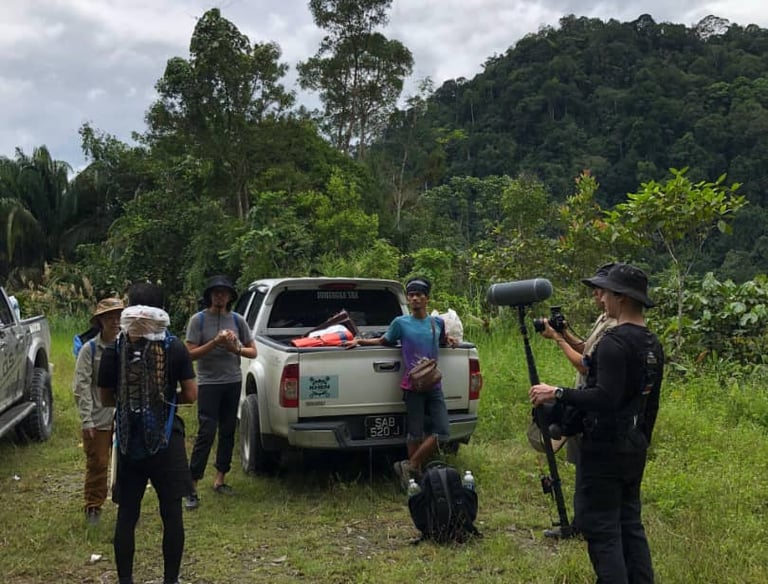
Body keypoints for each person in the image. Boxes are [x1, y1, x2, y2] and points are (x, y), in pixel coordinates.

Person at [529, 263, 664, 583]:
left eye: (607, 293)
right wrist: (642, 438)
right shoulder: (651, 343)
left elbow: (604, 397)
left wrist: (557, 393)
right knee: (630, 523)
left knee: (602, 530)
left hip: (603, 448)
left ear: (622, 298)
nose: (602, 299)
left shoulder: (614, 342)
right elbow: (651, 404)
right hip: (633, 446)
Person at [99, 282, 197, 584]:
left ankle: (125, 580)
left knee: (127, 515)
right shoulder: (175, 346)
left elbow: (105, 398)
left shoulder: (114, 349)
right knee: (172, 514)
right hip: (167, 441)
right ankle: (170, 580)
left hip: (129, 441)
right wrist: (164, 399)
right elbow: (191, 395)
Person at [346, 276, 458, 489]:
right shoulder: (400, 323)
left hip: (434, 384)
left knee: (442, 431)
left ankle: (410, 464)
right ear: (408, 299)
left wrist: (450, 340)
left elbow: (441, 339)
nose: (415, 299)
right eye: (412, 295)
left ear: (427, 299)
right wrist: (360, 340)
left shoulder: (437, 323)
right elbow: (383, 341)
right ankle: (414, 478)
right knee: (414, 433)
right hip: (412, 385)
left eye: (419, 295)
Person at [184, 275, 255, 509]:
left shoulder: (237, 320)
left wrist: (234, 347)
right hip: (208, 383)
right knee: (206, 431)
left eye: (224, 292)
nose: (220, 295)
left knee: (227, 430)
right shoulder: (199, 320)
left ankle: (220, 479)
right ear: (210, 296)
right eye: (215, 292)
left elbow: (252, 352)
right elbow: (190, 354)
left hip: (232, 381)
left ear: (229, 296)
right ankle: (191, 486)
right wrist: (215, 342)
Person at [536, 262, 618, 463]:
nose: (595, 295)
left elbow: (584, 364)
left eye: (599, 290)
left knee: (587, 459)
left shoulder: (615, 326)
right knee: (577, 450)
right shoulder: (603, 318)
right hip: (582, 397)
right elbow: (586, 348)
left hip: (592, 400)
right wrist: (564, 333)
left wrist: (558, 338)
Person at [73, 296, 124, 525]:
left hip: (124, 413)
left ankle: (127, 504)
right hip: (98, 414)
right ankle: (93, 505)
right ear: (100, 322)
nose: (115, 322)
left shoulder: (128, 345)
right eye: (109, 318)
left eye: (118, 317)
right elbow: (81, 386)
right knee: (98, 462)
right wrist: (87, 420)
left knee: (127, 461)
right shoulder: (89, 349)